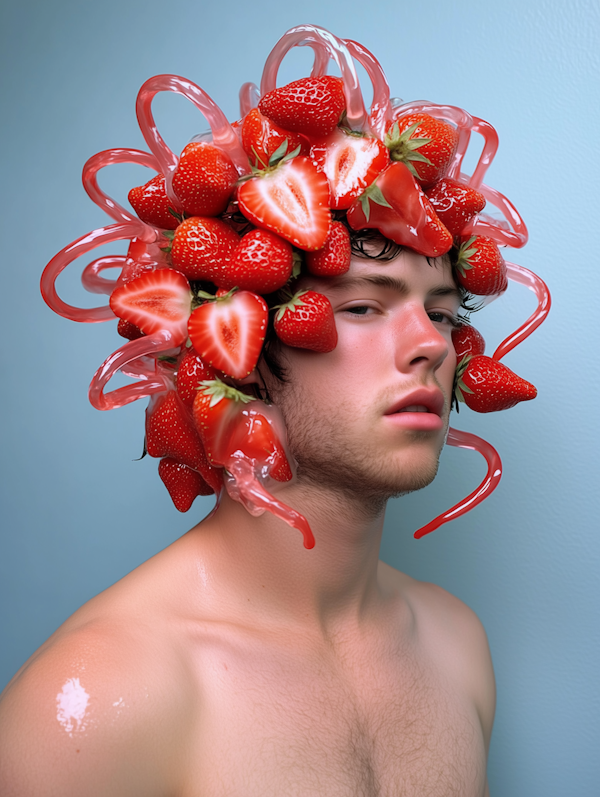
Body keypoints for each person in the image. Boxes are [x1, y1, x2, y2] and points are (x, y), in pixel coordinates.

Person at [0, 24, 545, 796]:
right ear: (235, 352)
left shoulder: (457, 646)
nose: (432, 345)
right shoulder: (102, 698)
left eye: (447, 314)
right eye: (361, 307)